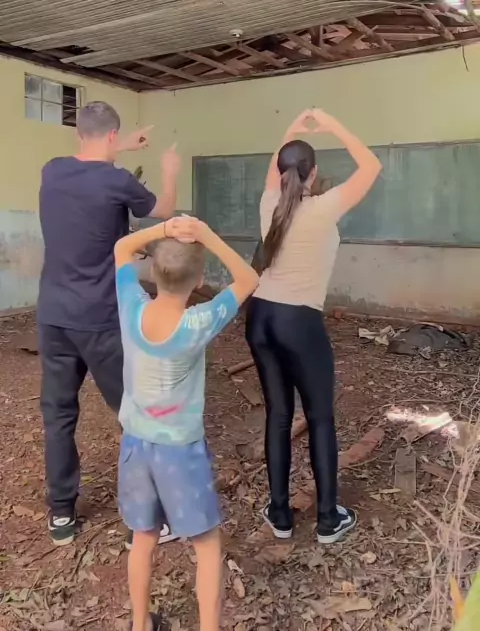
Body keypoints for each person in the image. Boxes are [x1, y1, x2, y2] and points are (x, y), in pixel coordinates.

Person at [37, 101, 180, 546]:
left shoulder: (52, 171)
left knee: (59, 417)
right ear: (114, 136)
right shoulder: (118, 181)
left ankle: (62, 514)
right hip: (101, 318)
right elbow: (163, 208)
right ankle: (148, 516)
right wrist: (169, 170)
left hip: (54, 317)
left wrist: (122, 146)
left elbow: (91, 167)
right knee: (133, 415)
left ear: (78, 132)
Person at [114, 214, 259, 631]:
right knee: (207, 546)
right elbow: (248, 279)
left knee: (143, 537)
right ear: (198, 282)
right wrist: (207, 235)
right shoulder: (199, 321)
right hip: (180, 452)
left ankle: (140, 624)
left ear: (153, 272)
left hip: (135, 445)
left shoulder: (131, 306)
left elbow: (122, 248)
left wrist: (164, 230)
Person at [245, 108, 382, 545]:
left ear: (280, 170)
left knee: (278, 415)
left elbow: (277, 163)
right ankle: (327, 519)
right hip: (298, 322)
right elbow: (371, 165)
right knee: (320, 417)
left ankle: (280, 514)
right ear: (314, 173)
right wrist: (330, 123)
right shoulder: (324, 208)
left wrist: (294, 127)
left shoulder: (268, 202)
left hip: (260, 318)